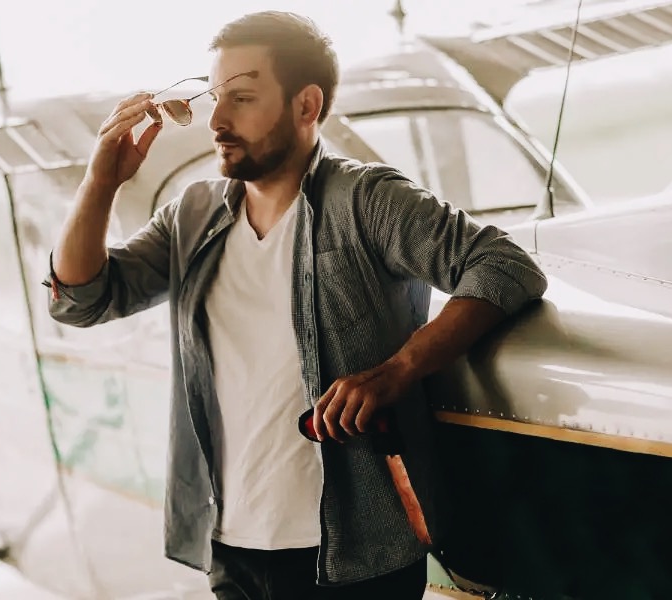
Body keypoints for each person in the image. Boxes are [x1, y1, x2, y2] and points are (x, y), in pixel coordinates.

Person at [44, 10, 547, 600]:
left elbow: (504, 265)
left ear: (306, 105)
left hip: (355, 554)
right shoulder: (193, 215)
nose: (218, 121)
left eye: (242, 99)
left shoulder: (367, 200)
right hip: (231, 548)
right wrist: (101, 181)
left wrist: (398, 370)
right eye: (214, 98)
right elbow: (81, 300)